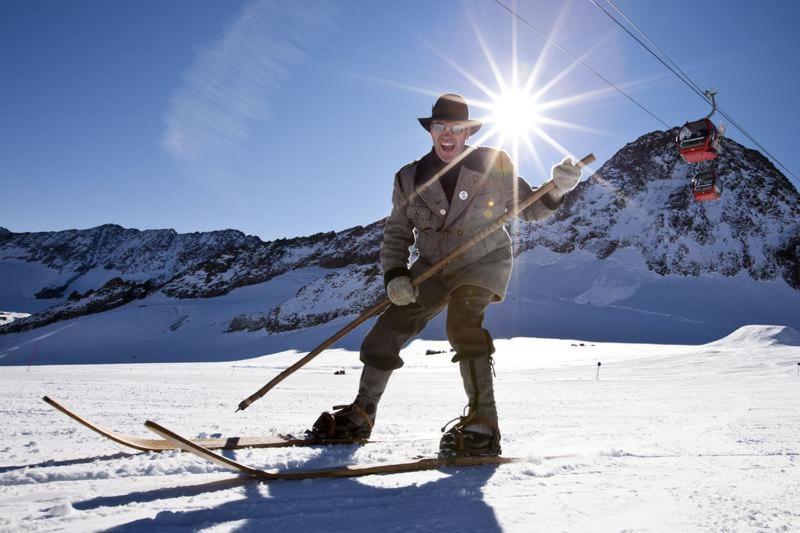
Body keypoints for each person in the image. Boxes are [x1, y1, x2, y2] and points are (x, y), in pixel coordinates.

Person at [309, 93, 583, 457]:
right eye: (441, 127)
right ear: (431, 131)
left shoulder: (493, 162)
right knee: (388, 328)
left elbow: (529, 210)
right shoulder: (409, 178)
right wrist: (395, 275)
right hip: (432, 267)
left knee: (462, 326)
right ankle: (362, 413)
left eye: (457, 128)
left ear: (468, 132)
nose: (448, 135)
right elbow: (397, 232)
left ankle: (484, 423)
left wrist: (557, 190)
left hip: (483, 262)